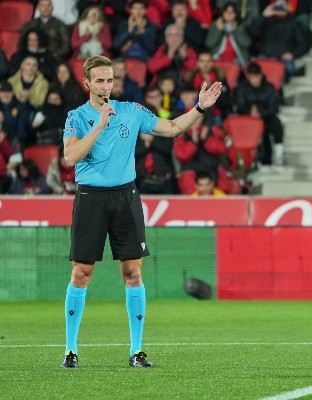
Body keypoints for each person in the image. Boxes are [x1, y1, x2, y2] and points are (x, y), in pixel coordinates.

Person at [60, 55, 221, 368]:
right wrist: (100, 125)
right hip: (90, 197)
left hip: (125, 198)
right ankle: (70, 350)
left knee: (133, 272)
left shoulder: (132, 111)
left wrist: (199, 108)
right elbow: (70, 156)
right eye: (100, 81)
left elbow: (173, 128)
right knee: (82, 273)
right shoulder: (76, 117)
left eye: (110, 80)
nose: (107, 86)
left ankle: (136, 351)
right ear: (87, 84)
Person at [234, 62, 285, 165]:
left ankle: (279, 150)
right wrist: (249, 112)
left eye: (256, 76)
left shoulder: (269, 87)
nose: (255, 80)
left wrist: (260, 113)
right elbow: (240, 104)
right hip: (246, 118)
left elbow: (273, 106)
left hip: (265, 116)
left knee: (275, 122)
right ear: (248, 76)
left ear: (261, 75)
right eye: (252, 77)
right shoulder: (241, 88)